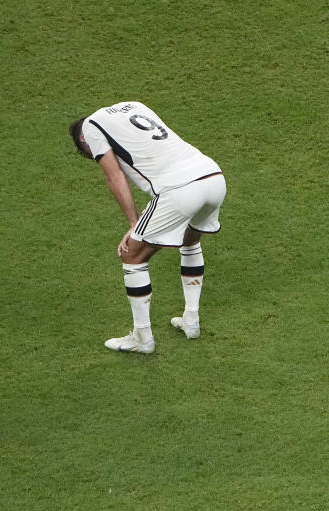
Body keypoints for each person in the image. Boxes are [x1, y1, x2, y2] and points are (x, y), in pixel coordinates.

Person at [69, 101, 227, 353]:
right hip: (213, 176)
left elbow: (115, 176)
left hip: (180, 188)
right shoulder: (133, 106)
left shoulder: (90, 127)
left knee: (132, 255)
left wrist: (133, 224)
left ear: (82, 139)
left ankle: (142, 338)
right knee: (190, 240)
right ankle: (191, 320)